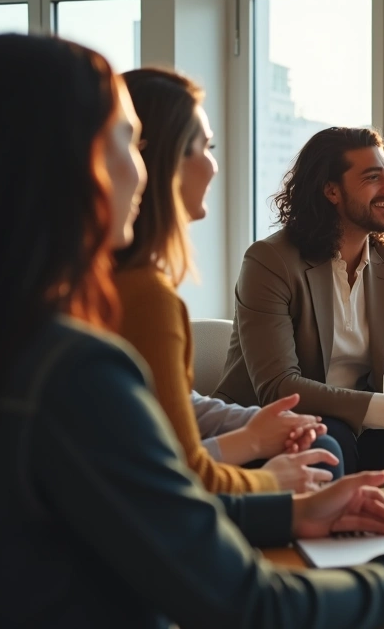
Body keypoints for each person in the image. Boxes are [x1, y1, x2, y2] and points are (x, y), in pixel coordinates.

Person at [0, 33, 384, 628]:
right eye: (126, 138)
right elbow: (248, 602)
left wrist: (291, 514)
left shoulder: (27, 344)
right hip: (320, 434)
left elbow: (145, 508)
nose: (142, 169)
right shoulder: (75, 368)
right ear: (68, 160)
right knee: (329, 444)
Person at [213, 127, 384, 480]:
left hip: (357, 430)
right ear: (331, 191)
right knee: (333, 437)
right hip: (276, 432)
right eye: (373, 178)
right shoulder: (270, 261)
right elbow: (279, 386)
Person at [113, 67, 336, 493]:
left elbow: (171, 405)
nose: (214, 166)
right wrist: (269, 478)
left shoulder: (138, 285)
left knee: (324, 444)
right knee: (326, 454)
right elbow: (172, 474)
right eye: (205, 146)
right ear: (161, 160)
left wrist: (254, 425)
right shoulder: (144, 296)